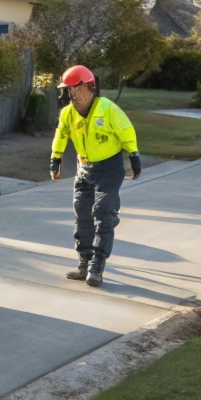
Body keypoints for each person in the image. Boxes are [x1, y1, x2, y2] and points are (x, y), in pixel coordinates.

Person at [49, 65, 141, 288]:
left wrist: (134, 155)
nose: (72, 94)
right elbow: (61, 135)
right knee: (82, 214)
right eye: (68, 89)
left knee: (102, 215)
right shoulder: (68, 113)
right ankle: (83, 263)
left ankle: (96, 267)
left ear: (90, 87)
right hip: (84, 168)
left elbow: (126, 131)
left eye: (76, 88)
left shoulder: (107, 109)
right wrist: (56, 158)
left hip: (109, 168)